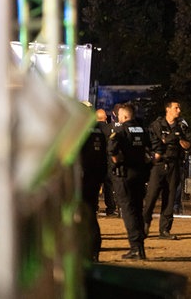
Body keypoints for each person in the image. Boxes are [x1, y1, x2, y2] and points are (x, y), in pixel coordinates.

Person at [143, 99, 191, 240]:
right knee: (151, 197)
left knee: (170, 199)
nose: (179, 110)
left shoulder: (181, 126)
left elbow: (187, 144)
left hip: (174, 165)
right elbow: (155, 143)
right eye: (176, 108)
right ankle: (144, 225)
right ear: (168, 109)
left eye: (179, 108)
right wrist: (173, 138)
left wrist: (178, 140)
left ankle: (165, 230)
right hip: (158, 166)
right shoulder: (157, 125)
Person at [107, 104, 150, 259]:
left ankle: (135, 248)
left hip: (124, 175)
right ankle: (141, 248)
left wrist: (117, 161)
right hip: (140, 175)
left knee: (128, 211)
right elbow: (150, 151)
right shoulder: (143, 130)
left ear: (124, 117)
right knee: (138, 210)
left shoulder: (120, 131)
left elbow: (112, 150)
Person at [79, 105, 107, 262]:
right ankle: (94, 249)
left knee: (83, 215)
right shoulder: (98, 130)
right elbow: (104, 156)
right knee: (91, 214)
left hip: (82, 179)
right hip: (95, 178)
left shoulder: (80, 131)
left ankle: (87, 250)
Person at [96, 108, 117, 217]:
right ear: (105, 118)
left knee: (95, 185)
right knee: (109, 185)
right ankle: (111, 208)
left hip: (95, 160)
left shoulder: (92, 129)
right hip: (108, 160)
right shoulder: (110, 128)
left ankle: (94, 207)